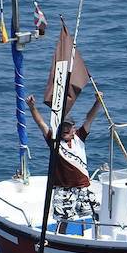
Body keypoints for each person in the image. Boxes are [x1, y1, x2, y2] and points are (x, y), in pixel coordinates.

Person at [26, 92, 103, 233]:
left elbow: (89, 119)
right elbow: (41, 123)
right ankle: (59, 238)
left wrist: (98, 102)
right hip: (63, 189)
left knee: (96, 213)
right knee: (63, 220)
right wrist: (32, 107)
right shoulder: (54, 141)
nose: (65, 129)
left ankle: (97, 238)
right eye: (63, 126)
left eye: (68, 126)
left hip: (83, 187)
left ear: (73, 128)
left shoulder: (79, 138)